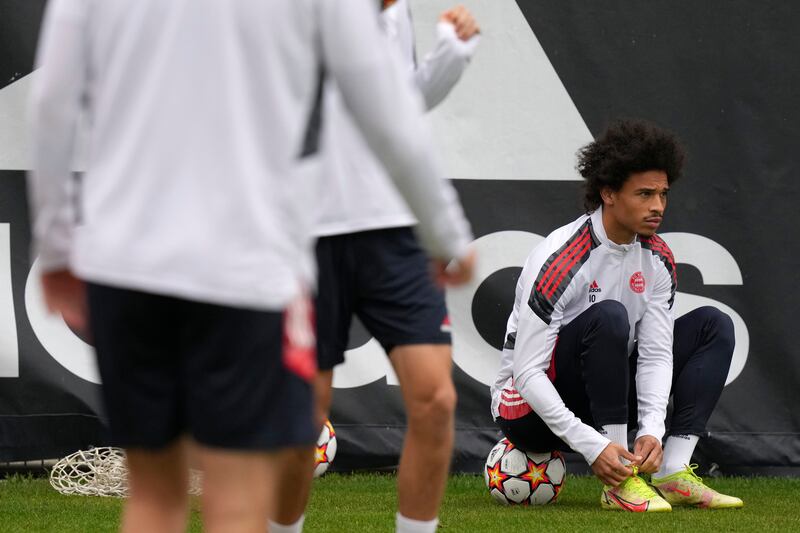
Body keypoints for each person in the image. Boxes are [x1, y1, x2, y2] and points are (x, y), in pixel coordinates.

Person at [28, 0, 473, 531]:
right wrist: (448, 234)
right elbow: (388, 115)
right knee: (235, 495)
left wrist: (56, 246)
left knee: (153, 496)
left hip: (129, 261)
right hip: (245, 262)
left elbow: (52, 103)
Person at [270, 3, 479, 533]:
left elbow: (393, 104)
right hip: (305, 235)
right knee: (303, 423)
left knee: (435, 400)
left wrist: (448, 59)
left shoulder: (395, 12)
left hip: (393, 232)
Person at [490, 119, 743, 512]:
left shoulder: (657, 257)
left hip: (601, 396)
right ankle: (621, 480)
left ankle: (673, 472)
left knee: (713, 325)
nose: (657, 206)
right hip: (527, 409)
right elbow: (526, 374)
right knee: (608, 317)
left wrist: (653, 431)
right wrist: (597, 447)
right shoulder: (562, 258)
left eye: (663, 193)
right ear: (608, 193)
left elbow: (657, 353)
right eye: (644, 194)